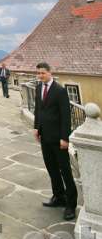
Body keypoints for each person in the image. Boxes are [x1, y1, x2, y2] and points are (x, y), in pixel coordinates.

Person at [33, 62, 77, 221]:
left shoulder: (60, 91)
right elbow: (38, 109)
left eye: (43, 73)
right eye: (38, 73)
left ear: (50, 72)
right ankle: (58, 197)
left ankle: (71, 204)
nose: (40, 76)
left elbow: (66, 116)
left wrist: (65, 138)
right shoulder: (39, 88)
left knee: (65, 171)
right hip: (45, 137)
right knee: (51, 168)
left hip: (59, 139)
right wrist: (36, 128)